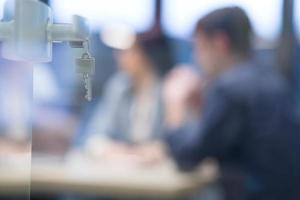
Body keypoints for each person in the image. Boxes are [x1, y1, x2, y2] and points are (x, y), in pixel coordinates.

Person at [163, 7, 300, 200]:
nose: (195, 57)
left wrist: (174, 103)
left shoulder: (228, 88)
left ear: (220, 43)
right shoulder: (272, 79)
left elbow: (187, 159)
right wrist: (199, 107)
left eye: (199, 47)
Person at [83, 32, 174, 163]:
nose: (119, 57)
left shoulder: (169, 90)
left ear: (146, 56)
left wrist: (158, 150)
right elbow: (94, 135)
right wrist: (118, 150)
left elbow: (174, 144)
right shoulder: (118, 87)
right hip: (124, 171)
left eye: (128, 52)